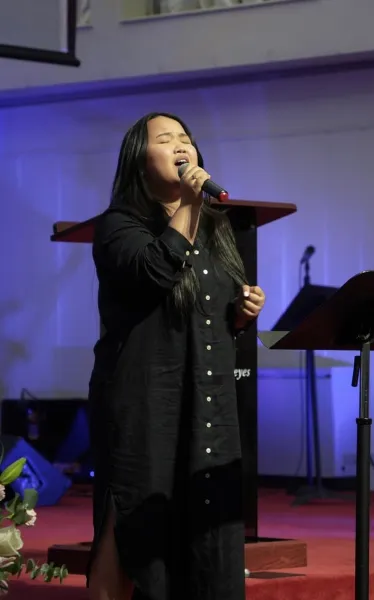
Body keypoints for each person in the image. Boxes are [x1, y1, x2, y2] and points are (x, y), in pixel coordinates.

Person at [87, 112, 265, 600]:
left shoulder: (216, 228)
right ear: (139, 160)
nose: (181, 145)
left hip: (205, 398)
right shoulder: (118, 225)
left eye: (185, 138)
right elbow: (154, 274)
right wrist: (188, 203)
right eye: (165, 140)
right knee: (130, 523)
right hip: (144, 399)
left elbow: (210, 312)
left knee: (203, 523)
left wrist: (242, 313)